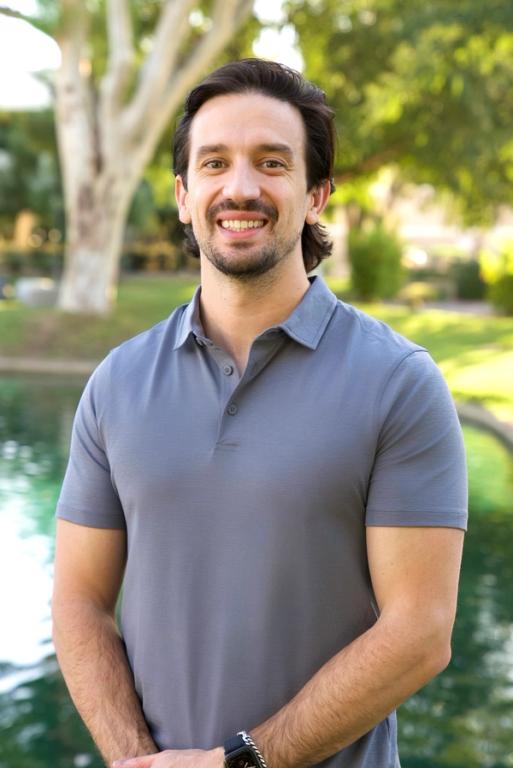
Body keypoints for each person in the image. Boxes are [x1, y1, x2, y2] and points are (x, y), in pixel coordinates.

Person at [52, 59, 467, 768]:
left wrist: (239, 763)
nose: (239, 188)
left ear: (315, 194)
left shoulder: (399, 383)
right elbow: (79, 602)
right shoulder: (117, 384)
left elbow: (419, 633)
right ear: (184, 196)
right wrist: (133, 760)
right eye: (214, 163)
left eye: (271, 163)